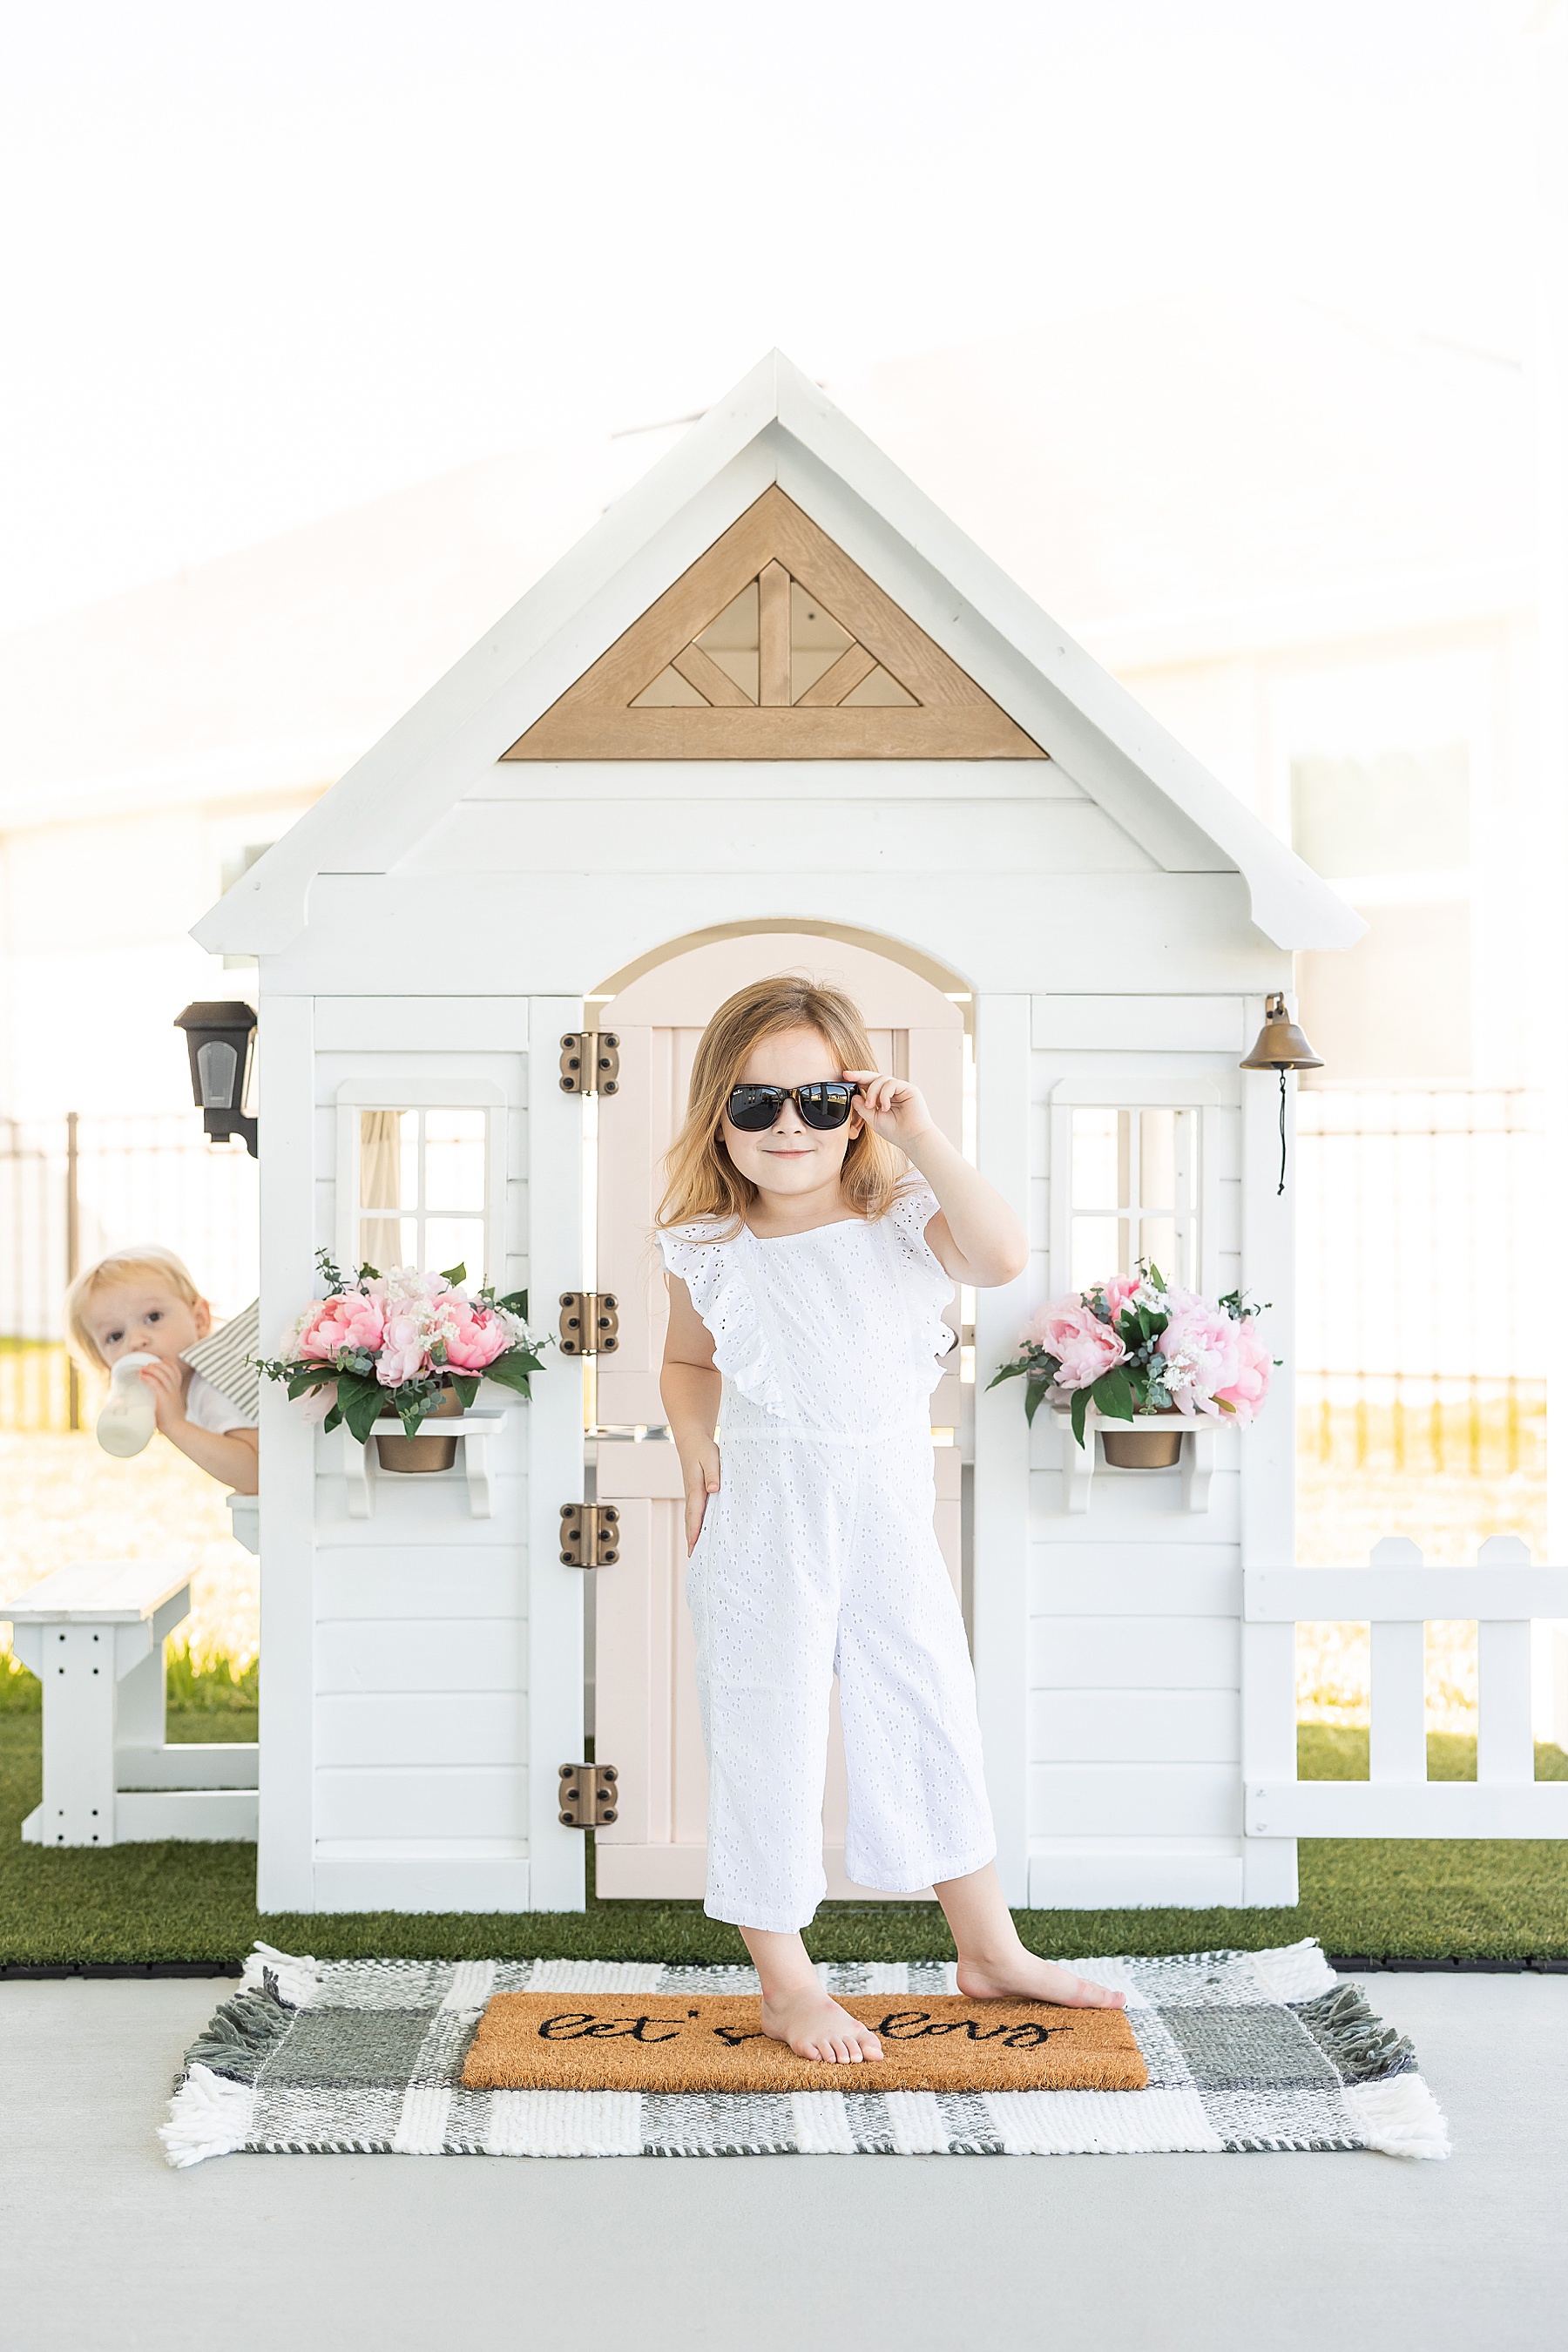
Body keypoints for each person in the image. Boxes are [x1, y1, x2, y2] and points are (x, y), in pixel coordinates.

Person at [658, 975, 1125, 2065]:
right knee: (764, 1728)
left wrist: (922, 1137)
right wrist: (692, 1441)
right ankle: (785, 1981)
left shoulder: (906, 1217)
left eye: (821, 1100)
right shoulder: (707, 1244)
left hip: (881, 1511)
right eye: (757, 1102)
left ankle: (991, 1949)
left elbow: (1003, 1255)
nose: (789, 1125)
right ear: (717, 1111)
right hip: (761, 1517)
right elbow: (685, 1363)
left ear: (859, 1104)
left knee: (926, 1709)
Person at [64, 1244, 259, 1495]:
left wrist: (175, 1425)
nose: (136, 1341)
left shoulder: (215, 1383)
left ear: (199, 1319)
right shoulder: (192, 1389)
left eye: (153, 1318)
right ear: (105, 1363)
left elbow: (256, 1474)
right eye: (115, 1336)